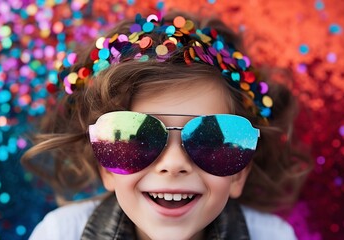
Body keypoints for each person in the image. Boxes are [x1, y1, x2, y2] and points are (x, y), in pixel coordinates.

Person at [21, 11, 312, 240]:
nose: (173, 165)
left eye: (210, 139)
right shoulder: (61, 234)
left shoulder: (273, 237)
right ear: (105, 167)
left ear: (240, 173)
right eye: (137, 137)